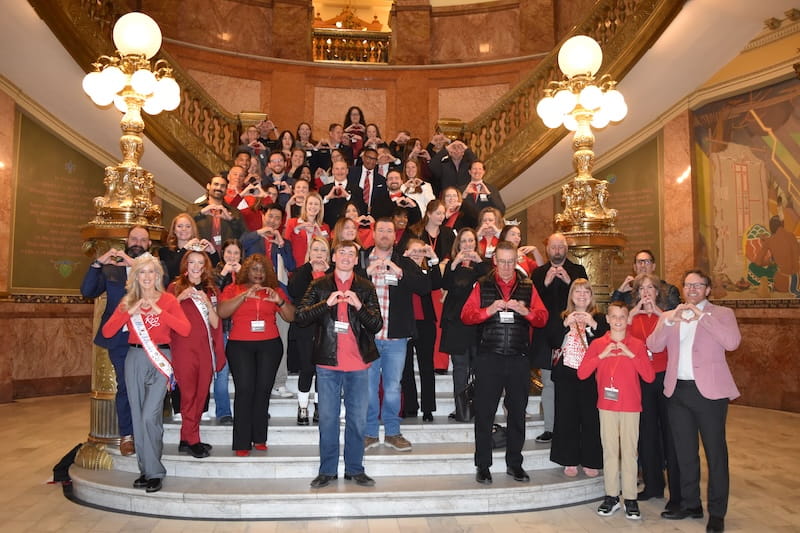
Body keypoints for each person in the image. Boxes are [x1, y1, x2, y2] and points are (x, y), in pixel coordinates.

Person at [647, 270, 741, 533]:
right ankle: (691, 504)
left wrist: (703, 317)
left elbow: (732, 343)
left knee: (715, 454)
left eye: (698, 285)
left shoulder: (722, 314)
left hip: (709, 394)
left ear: (708, 290)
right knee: (684, 453)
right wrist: (668, 321)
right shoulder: (669, 315)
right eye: (688, 285)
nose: (692, 289)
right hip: (677, 393)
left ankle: (717, 512)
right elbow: (653, 346)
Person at [295, 240, 383, 489]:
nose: (346, 256)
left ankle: (355, 469)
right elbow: (300, 316)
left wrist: (358, 305)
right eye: (341, 252)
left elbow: (376, 324)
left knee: (357, 420)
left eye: (351, 253)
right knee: (328, 420)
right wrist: (327, 304)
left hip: (358, 365)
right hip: (327, 364)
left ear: (357, 260)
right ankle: (327, 470)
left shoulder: (365, 287)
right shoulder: (319, 284)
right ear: (333, 257)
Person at [101, 253, 190, 494]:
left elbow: (184, 328)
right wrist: (130, 312)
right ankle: (146, 470)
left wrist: (160, 311)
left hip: (160, 358)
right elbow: (108, 332)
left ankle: (155, 471)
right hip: (134, 358)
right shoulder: (127, 301)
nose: (147, 276)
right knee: (138, 415)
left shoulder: (169, 300)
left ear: (158, 275)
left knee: (151, 415)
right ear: (136, 276)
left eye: (152, 272)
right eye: (142, 272)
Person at [461, 241, 548, 485]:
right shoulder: (483, 285)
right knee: (485, 414)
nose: (508, 266)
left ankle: (515, 464)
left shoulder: (529, 286)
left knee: (517, 413)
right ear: (495, 261)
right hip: (489, 357)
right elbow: (466, 316)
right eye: (503, 261)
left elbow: (542, 318)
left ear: (517, 262)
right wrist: (487, 311)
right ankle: (483, 465)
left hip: (519, 358)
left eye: (512, 261)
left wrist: (525, 311)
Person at [578, 301, 655, 520]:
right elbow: (582, 373)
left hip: (631, 406)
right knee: (610, 451)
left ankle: (630, 498)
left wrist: (631, 355)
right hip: (607, 405)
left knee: (630, 453)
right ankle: (611, 496)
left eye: (622, 317)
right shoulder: (598, 344)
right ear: (608, 320)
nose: (618, 321)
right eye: (614, 317)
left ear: (627, 319)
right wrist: (601, 356)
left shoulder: (638, 344)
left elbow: (649, 376)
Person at [80, 226, 153, 457]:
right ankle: (127, 435)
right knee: (125, 386)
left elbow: (163, 287)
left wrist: (135, 266)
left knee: (149, 388)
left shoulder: (153, 268)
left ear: (149, 244)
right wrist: (98, 263)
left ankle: (147, 432)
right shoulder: (110, 269)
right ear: (127, 240)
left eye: (143, 239)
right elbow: (88, 290)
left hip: (148, 338)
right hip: (120, 339)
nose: (138, 242)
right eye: (134, 238)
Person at [362, 218, 430, 451]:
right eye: (380, 230)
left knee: (392, 387)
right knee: (369, 388)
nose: (384, 234)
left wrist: (401, 273)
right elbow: (347, 285)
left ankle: (392, 432)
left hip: (396, 337)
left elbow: (424, 286)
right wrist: (366, 273)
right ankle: (370, 432)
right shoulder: (361, 258)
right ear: (373, 233)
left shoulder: (404, 260)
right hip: (368, 336)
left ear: (395, 236)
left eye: (389, 231)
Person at [218, 254, 295, 456]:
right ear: (246, 271)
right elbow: (222, 312)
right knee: (244, 390)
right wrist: (244, 296)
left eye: (262, 269)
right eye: (254, 269)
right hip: (239, 345)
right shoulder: (233, 289)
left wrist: (279, 301)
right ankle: (242, 442)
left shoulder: (275, 290)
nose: (259, 273)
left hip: (269, 345)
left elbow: (290, 317)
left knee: (263, 390)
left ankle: (260, 437)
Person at [628, 273, 682, 509]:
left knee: (670, 434)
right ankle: (653, 486)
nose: (646, 291)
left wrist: (660, 314)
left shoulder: (669, 315)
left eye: (650, 288)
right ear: (637, 293)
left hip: (666, 376)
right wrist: (632, 314)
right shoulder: (632, 317)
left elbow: (679, 334)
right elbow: (622, 338)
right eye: (642, 288)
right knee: (647, 432)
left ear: (658, 292)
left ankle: (678, 491)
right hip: (642, 378)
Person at [530, 232, 588, 444]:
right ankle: (550, 428)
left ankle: (572, 428)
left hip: (571, 334)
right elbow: (532, 304)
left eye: (560, 247)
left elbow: (584, 298)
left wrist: (569, 282)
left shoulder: (577, 270)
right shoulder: (538, 273)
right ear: (547, 250)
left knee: (572, 382)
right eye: (553, 247)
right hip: (545, 336)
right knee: (549, 382)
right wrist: (544, 284)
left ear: (566, 249)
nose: (557, 251)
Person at [168, 251, 225, 458]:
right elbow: (165, 315)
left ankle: (186, 438)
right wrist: (179, 298)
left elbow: (217, 324)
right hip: (184, 349)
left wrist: (208, 304)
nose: (195, 266)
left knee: (201, 394)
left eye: (200, 263)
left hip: (204, 349)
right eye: (192, 262)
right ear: (186, 264)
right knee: (189, 394)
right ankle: (193, 440)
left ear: (205, 267)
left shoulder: (211, 290)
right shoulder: (174, 288)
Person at [550, 279, 607, 477]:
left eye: (586, 292)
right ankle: (569, 459)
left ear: (591, 296)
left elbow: (607, 341)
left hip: (591, 375)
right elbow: (551, 340)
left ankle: (591, 460)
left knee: (591, 419)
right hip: (566, 374)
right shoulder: (561, 316)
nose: (582, 295)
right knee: (567, 418)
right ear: (571, 296)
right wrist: (565, 325)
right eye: (577, 292)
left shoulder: (599, 317)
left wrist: (593, 324)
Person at [440, 227, 490, 418]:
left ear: (476, 245)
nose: (468, 245)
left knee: (479, 366)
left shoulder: (482, 265)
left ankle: (479, 407)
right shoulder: (453, 265)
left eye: (471, 241)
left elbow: (490, 282)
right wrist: (454, 265)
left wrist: (479, 263)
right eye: (464, 241)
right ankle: (462, 410)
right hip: (456, 323)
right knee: (459, 367)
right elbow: (445, 285)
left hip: (478, 322)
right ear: (458, 245)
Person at [287, 237, 330, 425]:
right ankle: (302, 407)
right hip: (305, 329)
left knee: (322, 370)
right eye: (315, 250)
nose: (319, 254)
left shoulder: (334, 275)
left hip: (326, 330)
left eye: (322, 250)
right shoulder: (300, 273)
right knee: (307, 369)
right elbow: (294, 291)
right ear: (309, 253)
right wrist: (308, 268)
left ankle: (319, 407)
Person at [399, 238, 442, 421]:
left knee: (426, 367)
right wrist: (403, 259)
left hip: (425, 324)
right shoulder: (401, 270)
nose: (417, 254)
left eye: (420, 251)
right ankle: (410, 407)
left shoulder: (428, 271)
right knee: (405, 368)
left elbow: (437, 284)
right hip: (405, 323)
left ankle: (427, 409)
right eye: (413, 251)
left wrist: (432, 258)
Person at [211, 238, 243, 425]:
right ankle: (223, 412)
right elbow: (212, 294)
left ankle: (247, 409)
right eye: (229, 252)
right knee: (222, 372)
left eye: (236, 253)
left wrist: (242, 277)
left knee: (244, 373)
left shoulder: (246, 272)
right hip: (222, 328)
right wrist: (223, 274)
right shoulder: (214, 272)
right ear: (223, 253)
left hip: (242, 328)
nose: (232, 257)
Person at [188, 175, 246, 254]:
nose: (219, 188)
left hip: (225, 258)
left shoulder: (235, 212)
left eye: (223, 186)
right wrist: (200, 213)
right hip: (200, 257)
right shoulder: (194, 208)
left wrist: (231, 220)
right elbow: (183, 225)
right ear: (208, 186)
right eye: (216, 184)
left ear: (226, 189)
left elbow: (243, 236)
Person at [612, 249, 680, 309]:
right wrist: (620, 291)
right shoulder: (629, 293)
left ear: (653, 266)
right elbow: (615, 314)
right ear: (635, 267)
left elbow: (673, 316)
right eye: (639, 262)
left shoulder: (669, 291)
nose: (643, 266)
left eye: (647, 262)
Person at [159, 213, 219, 281]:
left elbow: (214, 272)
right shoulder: (164, 251)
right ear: (174, 230)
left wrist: (213, 252)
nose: (184, 229)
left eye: (188, 226)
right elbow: (171, 271)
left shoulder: (199, 251)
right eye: (179, 226)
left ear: (193, 230)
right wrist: (185, 248)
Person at [283, 192, 330, 269]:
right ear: (305, 206)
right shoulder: (292, 223)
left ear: (320, 207)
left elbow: (326, 249)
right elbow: (287, 244)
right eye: (310, 203)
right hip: (297, 267)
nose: (313, 206)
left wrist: (320, 235)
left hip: (317, 268)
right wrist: (297, 229)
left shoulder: (325, 227)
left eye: (316, 204)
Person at [320, 160, 366, 230]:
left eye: (342, 169)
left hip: (351, 229)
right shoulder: (324, 190)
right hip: (330, 228)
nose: (340, 172)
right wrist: (327, 198)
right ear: (332, 171)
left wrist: (348, 196)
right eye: (337, 169)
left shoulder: (357, 189)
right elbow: (319, 210)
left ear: (347, 171)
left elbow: (362, 209)